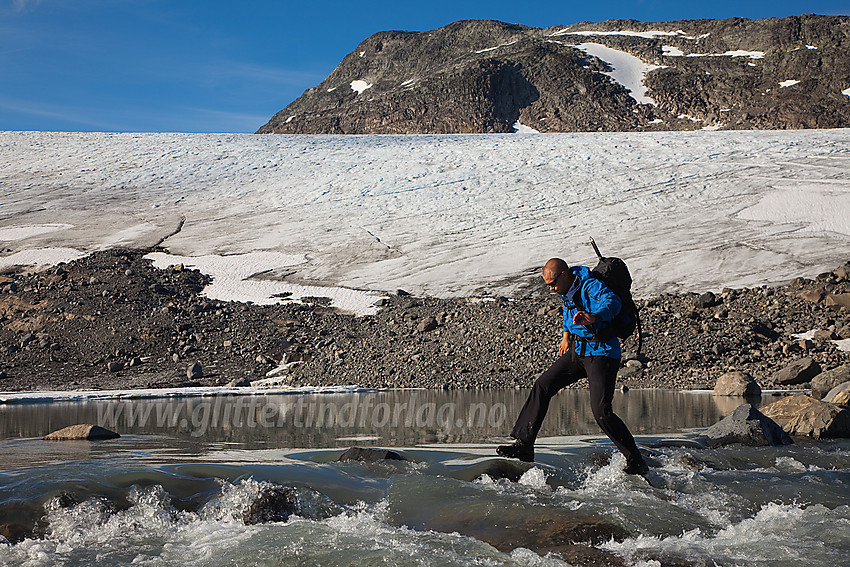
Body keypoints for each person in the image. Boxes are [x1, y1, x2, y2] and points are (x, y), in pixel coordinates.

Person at [497, 257, 648, 474]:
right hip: (579, 351)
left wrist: (593, 317)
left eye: (552, 284)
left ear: (564, 275)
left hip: (602, 353)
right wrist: (566, 336)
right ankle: (524, 445)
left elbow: (612, 302)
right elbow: (569, 312)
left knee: (601, 411)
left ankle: (636, 459)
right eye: (547, 285)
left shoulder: (590, 286)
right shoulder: (566, 289)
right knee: (543, 385)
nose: (550, 289)